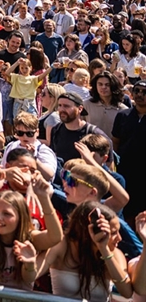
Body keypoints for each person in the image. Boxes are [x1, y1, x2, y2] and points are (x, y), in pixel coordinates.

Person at [0, 169, 62, 289]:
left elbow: (56, 237)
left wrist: (44, 198)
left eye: (7, 214)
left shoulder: (30, 238)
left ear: (21, 217)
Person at [39, 202, 134, 302]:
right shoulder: (63, 246)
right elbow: (33, 274)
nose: (119, 238)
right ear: (91, 231)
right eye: (113, 232)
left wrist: (104, 249)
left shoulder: (115, 253)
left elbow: (126, 293)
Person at [111, 79, 146, 224]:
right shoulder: (123, 115)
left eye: (144, 92)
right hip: (126, 170)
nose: (139, 94)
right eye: (136, 91)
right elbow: (115, 141)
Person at [49, 92, 105, 165]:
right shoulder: (56, 129)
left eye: (66, 106)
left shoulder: (93, 133)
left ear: (80, 109)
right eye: (59, 105)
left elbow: (108, 165)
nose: (62, 109)